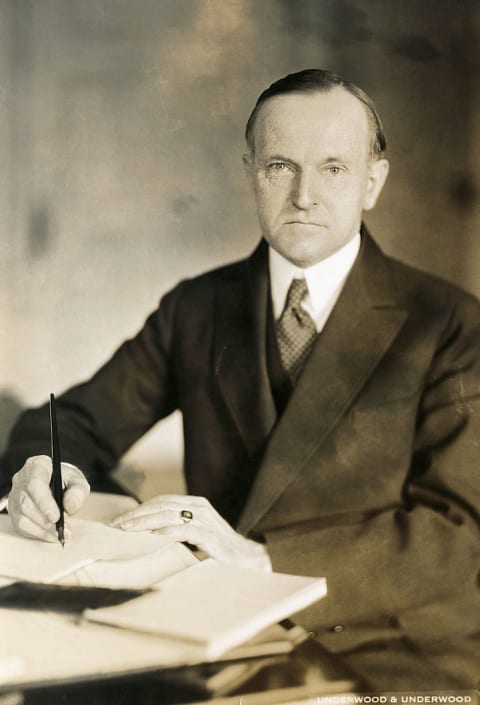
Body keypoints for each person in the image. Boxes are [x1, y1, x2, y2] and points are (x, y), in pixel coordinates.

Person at [1, 69, 479, 691]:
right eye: (281, 166)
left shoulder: (451, 323)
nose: (304, 195)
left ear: (372, 182)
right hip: (217, 634)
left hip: (396, 653)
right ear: (252, 173)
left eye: (332, 168)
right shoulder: (196, 309)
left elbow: (459, 534)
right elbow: (71, 424)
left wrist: (265, 561)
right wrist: (42, 469)